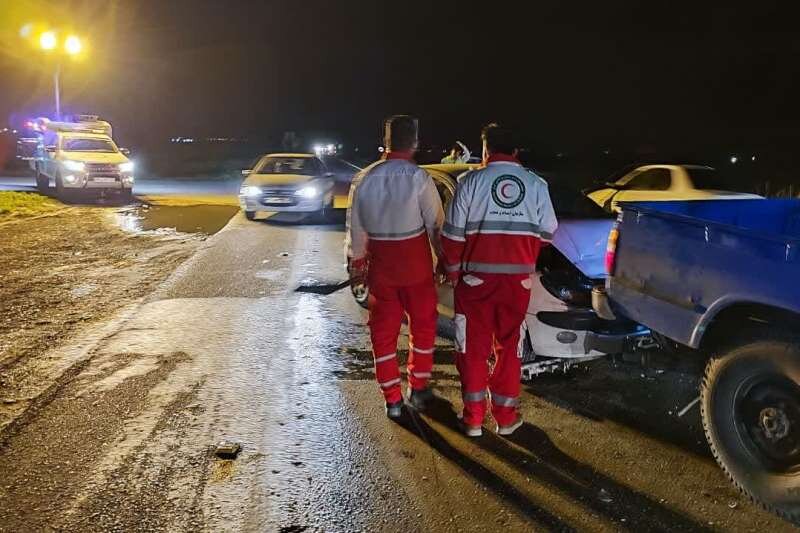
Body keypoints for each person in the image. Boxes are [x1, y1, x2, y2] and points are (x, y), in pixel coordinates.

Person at [441, 124, 558, 437]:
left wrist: (454, 273)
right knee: (510, 348)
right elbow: (547, 233)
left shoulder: (471, 182)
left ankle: (473, 419)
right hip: (517, 283)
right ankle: (506, 419)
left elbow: (451, 238)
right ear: (517, 151)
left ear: (485, 149)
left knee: (472, 349)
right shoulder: (536, 185)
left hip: (475, 281)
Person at [345, 115, 445, 419]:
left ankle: (392, 401)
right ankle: (418, 388)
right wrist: (444, 260)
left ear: (386, 142)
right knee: (424, 327)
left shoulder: (363, 179)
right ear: (414, 142)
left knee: (383, 334)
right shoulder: (418, 178)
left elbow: (355, 232)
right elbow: (437, 227)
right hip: (416, 268)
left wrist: (357, 269)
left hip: (381, 271)